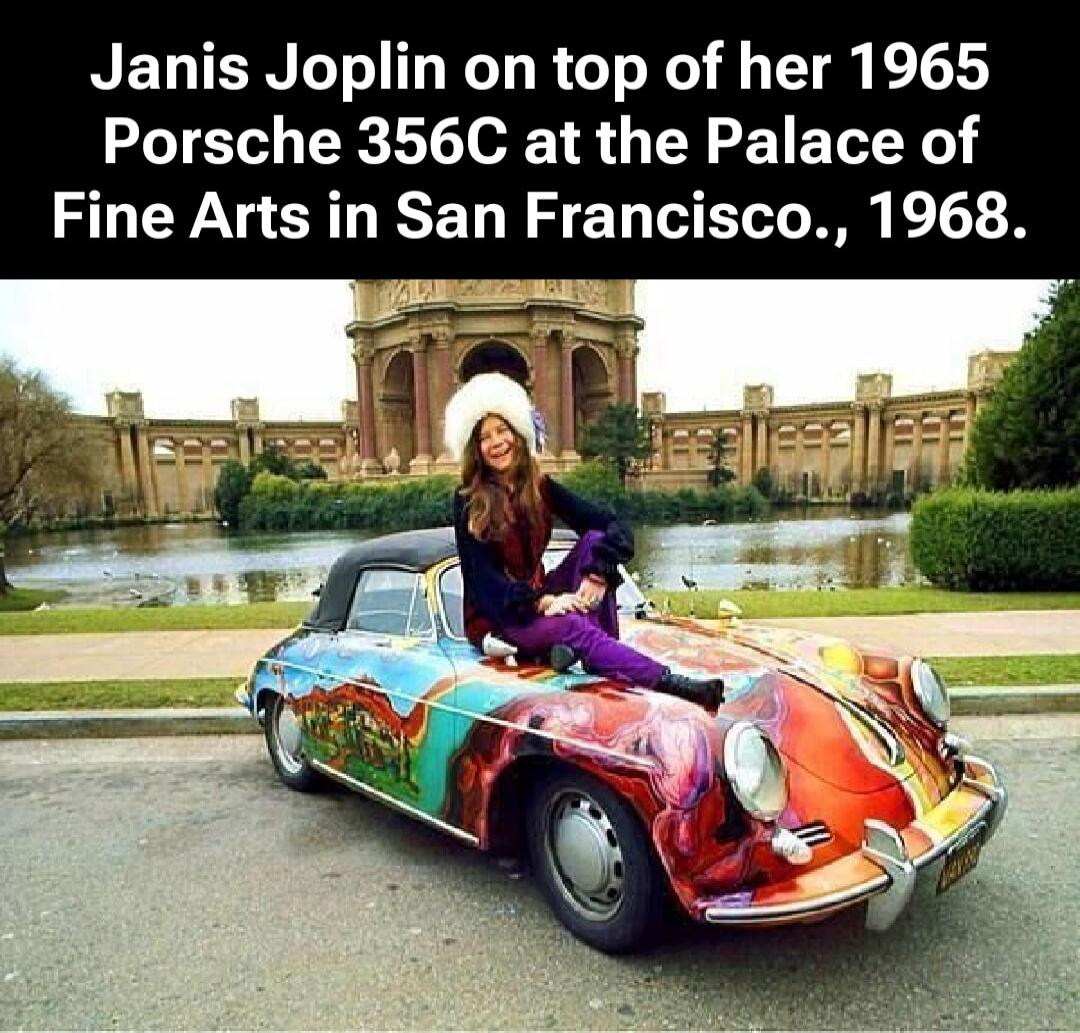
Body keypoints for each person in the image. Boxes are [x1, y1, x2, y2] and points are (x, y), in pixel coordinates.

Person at [445, 372, 723, 708]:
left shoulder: (540, 486)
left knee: (594, 540)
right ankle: (670, 683)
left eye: (502, 430)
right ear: (476, 450)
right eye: (484, 437)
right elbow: (484, 583)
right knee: (573, 625)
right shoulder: (468, 499)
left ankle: (597, 655)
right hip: (498, 618)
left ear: (518, 434)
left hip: (537, 598)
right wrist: (544, 603)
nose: (496, 442)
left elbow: (612, 524)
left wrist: (598, 572)